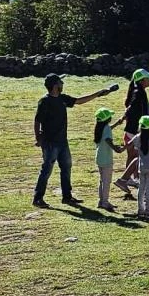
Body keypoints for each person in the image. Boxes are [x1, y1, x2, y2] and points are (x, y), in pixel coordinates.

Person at [32, 73, 116, 208]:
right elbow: (37, 121)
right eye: (60, 82)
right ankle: (37, 198)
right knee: (47, 170)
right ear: (55, 86)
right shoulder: (44, 101)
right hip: (50, 142)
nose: (62, 84)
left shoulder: (62, 98)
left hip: (62, 142)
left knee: (66, 168)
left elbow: (79, 101)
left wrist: (99, 94)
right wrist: (38, 138)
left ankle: (67, 197)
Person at [115, 69, 149, 196]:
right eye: (148, 78)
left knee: (132, 156)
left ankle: (132, 179)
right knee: (140, 156)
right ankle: (125, 179)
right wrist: (141, 128)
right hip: (136, 130)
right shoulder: (139, 93)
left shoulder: (138, 92)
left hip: (132, 129)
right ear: (142, 80)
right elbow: (132, 109)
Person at [93, 108, 125, 211]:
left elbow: (107, 131)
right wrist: (116, 148)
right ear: (107, 119)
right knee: (106, 182)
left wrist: (116, 124)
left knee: (102, 181)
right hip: (106, 159)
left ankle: (101, 200)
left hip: (99, 158)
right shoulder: (106, 128)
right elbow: (107, 139)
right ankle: (105, 203)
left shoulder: (99, 127)